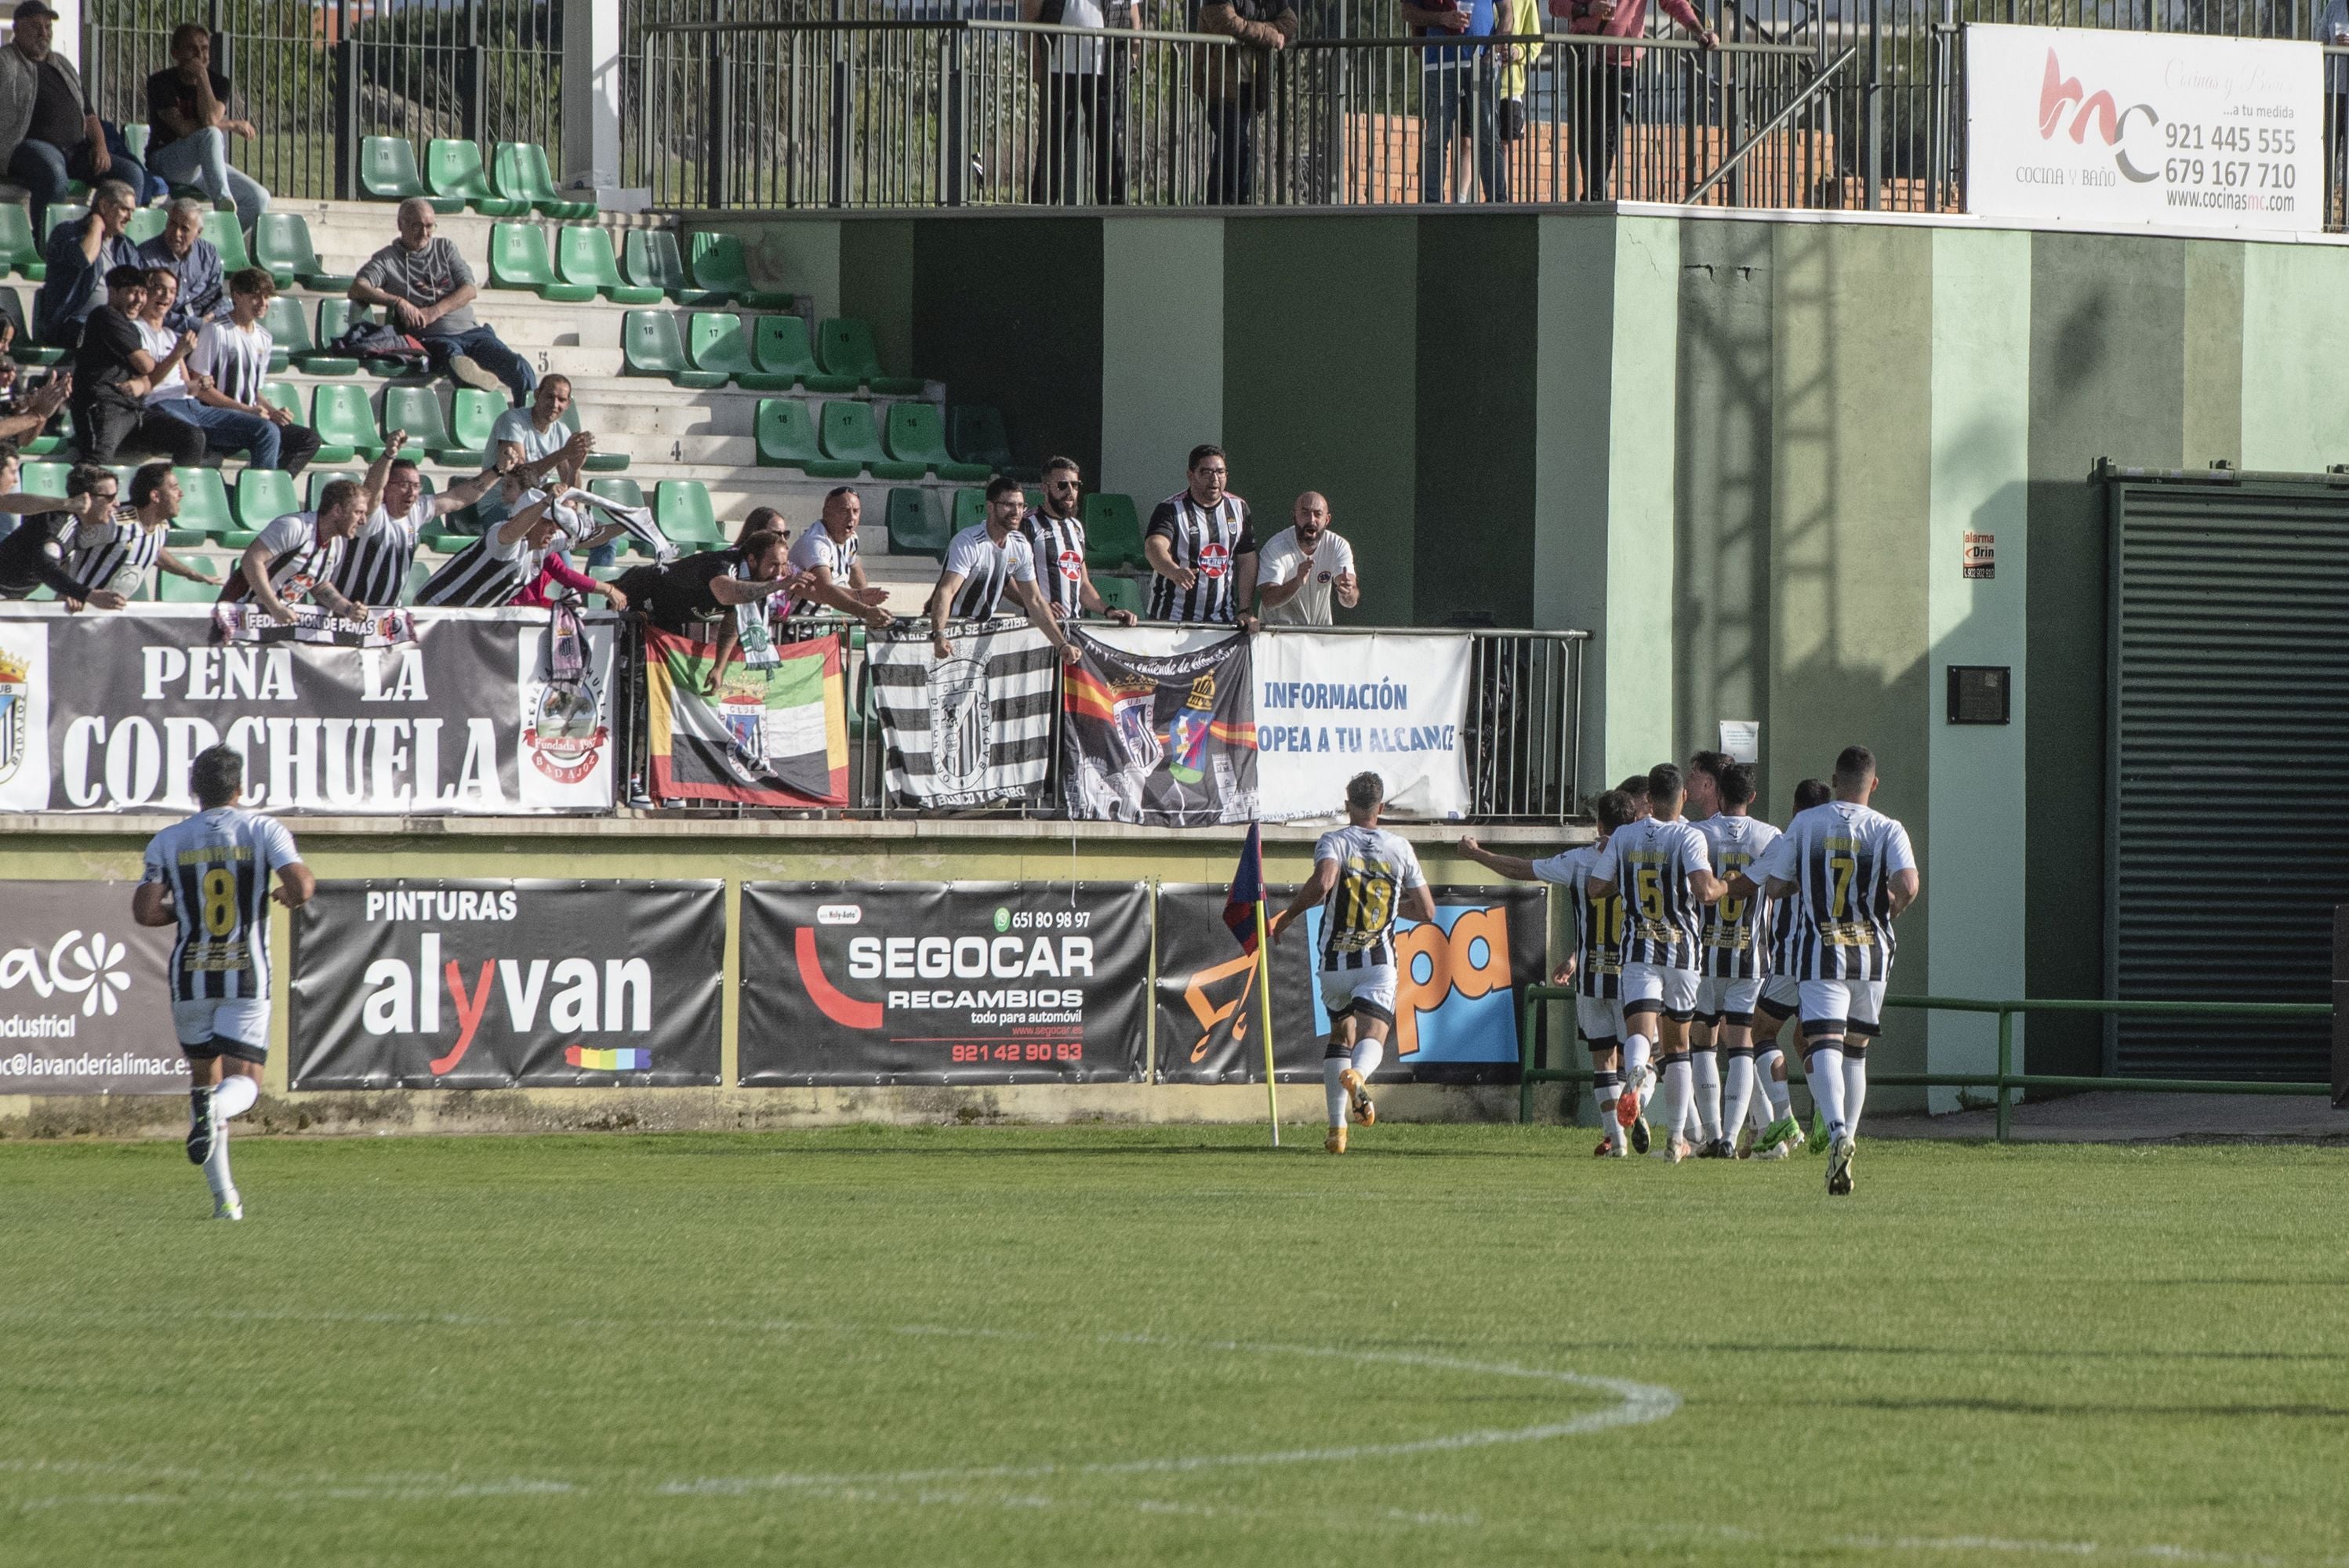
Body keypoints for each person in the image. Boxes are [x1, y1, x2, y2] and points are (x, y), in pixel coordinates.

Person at [130, 743, 312, 1221]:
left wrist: (185, 910)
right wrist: (286, 895)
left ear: (194, 789)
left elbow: (146, 911)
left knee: (202, 1081)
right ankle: (215, 1114)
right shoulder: (262, 828)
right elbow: (302, 886)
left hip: (189, 977)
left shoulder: (168, 840)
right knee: (244, 1082)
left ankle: (224, 1200)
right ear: (240, 787)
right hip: (243, 975)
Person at [1746, 746, 1919, 1196]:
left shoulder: (1807, 823)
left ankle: (1838, 1132)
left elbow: (1778, 884)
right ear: (1873, 784)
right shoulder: (1888, 828)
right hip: (1872, 954)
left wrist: (1802, 882)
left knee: (1824, 1043)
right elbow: (1908, 884)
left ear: (1835, 779)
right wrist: (1893, 908)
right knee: (1856, 1049)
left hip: (1823, 950)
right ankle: (1848, 1137)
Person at [1459, 787, 1635, 1155]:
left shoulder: (1580, 860)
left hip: (1591, 976)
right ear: (1632, 822)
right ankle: (1635, 1104)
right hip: (1633, 975)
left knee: (1602, 1057)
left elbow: (1523, 869)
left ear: (1598, 825)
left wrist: (1478, 855)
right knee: (1644, 1056)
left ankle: (1616, 1141)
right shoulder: (1643, 859)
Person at [1269, 771, 1437, 1154]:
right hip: (1377, 960)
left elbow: (1324, 883)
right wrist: (1393, 910)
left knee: (1339, 1036)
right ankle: (1358, 1076)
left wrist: (1289, 915)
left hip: (1334, 964)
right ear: (1380, 808)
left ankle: (1337, 1130)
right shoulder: (1401, 848)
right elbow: (1427, 910)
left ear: (1347, 806)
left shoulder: (1334, 841)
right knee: (1373, 1035)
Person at [1588, 761, 1724, 1163]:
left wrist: (1627, 879)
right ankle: (1676, 1139)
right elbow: (1703, 891)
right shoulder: (1689, 836)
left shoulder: (1625, 835)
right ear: (1682, 797)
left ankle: (1633, 1077)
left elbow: (1597, 887)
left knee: (1639, 1033)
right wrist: (1725, 887)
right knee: (1679, 1047)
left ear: (1648, 799)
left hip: (1638, 950)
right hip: (1681, 950)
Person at [350, 198, 536, 403]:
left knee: (520, 367)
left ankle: (528, 422)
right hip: (433, 337)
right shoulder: (387, 259)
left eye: (429, 226)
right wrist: (398, 302)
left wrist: (435, 311)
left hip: (473, 333)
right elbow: (358, 287)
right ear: (400, 224)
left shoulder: (445, 248)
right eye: (416, 226)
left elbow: (469, 290)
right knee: (453, 357)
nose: (424, 233)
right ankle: (473, 377)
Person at [1735, 775, 1831, 1158]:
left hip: (1792, 958)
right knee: (1809, 1041)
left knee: (1760, 1033)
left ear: (1795, 808)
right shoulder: (1834, 843)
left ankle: (1784, 1118)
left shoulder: (1789, 840)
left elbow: (1765, 886)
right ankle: (1827, 1112)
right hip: (1829, 962)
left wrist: (1724, 886)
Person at [1690, 763, 1780, 1160]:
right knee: (1742, 1045)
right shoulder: (1770, 836)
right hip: (1750, 955)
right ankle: (1730, 1136)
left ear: (1719, 795)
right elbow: (1781, 884)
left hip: (1706, 956)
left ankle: (1711, 1135)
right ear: (1753, 797)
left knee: (1704, 1043)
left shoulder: (1698, 834)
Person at [1, 2, 148, 238]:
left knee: (131, 175)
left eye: (48, 27)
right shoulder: (5, 62)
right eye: (37, 27)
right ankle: (50, 244)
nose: (44, 33)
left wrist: (100, 146)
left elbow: (89, 115)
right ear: (17, 29)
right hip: (27, 147)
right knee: (53, 171)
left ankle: (114, 246)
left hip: (77, 150)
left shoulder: (62, 64)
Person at [1554, 0, 1715, 201]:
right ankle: (1593, 192)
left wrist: (1699, 31)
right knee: (1586, 129)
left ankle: (1595, 194)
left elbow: (1674, 3)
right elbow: (1555, 5)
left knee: (1607, 129)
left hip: (1622, 59)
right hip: (1583, 55)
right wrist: (1587, 8)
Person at [332, 434, 505, 608]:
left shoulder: (416, 511)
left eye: (416, 486)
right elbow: (372, 489)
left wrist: (498, 470)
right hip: (346, 612)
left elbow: (458, 497)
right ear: (387, 486)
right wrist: (388, 455)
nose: (412, 492)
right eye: (404, 485)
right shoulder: (372, 514)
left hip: (387, 617)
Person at [927, 474, 1084, 664]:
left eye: (1020, 506)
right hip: (946, 633)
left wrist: (1061, 645)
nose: (1016, 512)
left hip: (978, 636)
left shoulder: (1020, 545)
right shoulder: (969, 541)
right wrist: (939, 635)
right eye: (1009, 505)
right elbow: (947, 590)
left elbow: (1034, 600)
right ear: (991, 507)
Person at [185, 267, 320, 474]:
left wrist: (273, 411)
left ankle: (273, 487)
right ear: (237, 296)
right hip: (216, 419)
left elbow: (253, 390)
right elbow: (199, 389)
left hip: (249, 419)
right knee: (266, 431)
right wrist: (245, 410)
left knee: (308, 439)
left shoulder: (264, 337)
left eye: (266, 297)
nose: (263, 303)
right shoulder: (216, 331)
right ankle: (263, 496)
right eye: (256, 297)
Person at [143, 24, 270, 230]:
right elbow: (183, 129)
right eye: (192, 49)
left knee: (259, 198)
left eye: (204, 48)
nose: (200, 55)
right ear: (176, 53)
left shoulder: (219, 83)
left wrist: (202, 77)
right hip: (167, 159)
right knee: (210, 134)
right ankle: (222, 201)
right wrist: (230, 124)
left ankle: (218, 246)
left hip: (204, 166)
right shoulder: (160, 82)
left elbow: (210, 117)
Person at [1022, 0, 1137, 204]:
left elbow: (1134, 16)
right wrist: (1037, 62)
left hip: (1106, 72)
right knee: (1053, 138)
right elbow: (1030, 18)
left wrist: (1133, 56)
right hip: (1059, 70)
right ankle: (1042, 200)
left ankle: (1113, 202)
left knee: (1108, 139)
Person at [58, 459, 217, 604]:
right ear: (155, 496)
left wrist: (191, 573)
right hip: (78, 610)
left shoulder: (162, 527)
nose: (181, 494)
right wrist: (68, 592)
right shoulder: (115, 523)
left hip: (110, 617)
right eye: (175, 488)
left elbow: (155, 552)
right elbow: (66, 546)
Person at [222, 474, 375, 622]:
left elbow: (318, 586)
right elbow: (252, 560)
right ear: (337, 510)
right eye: (358, 513)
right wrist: (275, 607)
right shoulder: (295, 527)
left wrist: (348, 609)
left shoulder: (336, 543)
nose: (363, 521)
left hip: (274, 621)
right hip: (238, 615)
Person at [1403, 0, 1506, 203]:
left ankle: (1497, 201)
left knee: (1488, 134)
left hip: (1482, 60)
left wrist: (1497, 45)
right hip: (1438, 59)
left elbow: (1507, 11)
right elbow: (1407, 11)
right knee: (1436, 136)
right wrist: (1441, 18)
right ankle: (1432, 204)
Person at [1145, 443, 1259, 626]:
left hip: (1222, 620)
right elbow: (1154, 547)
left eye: (1221, 472)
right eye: (1206, 473)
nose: (1215, 479)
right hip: (1172, 619)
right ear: (1191, 476)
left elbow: (1246, 559)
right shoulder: (1171, 509)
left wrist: (1245, 609)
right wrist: (1174, 571)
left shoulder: (1239, 508)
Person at [1194, 0, 1296, 205]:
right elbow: (1229, 24)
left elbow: (1291, 22)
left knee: (1225, 148)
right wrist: (1270, 36)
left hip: (1248, 86)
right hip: (1217, 86)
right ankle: (1242, 204)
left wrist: (1256, 33)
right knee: (1240, 146)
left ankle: (1216, 206)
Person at [412, 486, 580, 609]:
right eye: (546, 522)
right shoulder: (501, 536)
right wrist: (545, 503)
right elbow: (515, 529)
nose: (553, 529)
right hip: (434, 610)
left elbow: (589, 537)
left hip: (462, 622)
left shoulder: (540, 543)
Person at [1019, 456, 1138, 625]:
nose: (1070, 491)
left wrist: (1108, 610)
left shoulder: (1076, 527)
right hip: (1037, 628)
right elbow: (1008, 579)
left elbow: (1082, 584)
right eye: (1062, 485)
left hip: (1073, 627)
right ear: (1044, 488)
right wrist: (1039, 605)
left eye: (1075, 485)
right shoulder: (1027, 524)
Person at [31, 176, 139, 350]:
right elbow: (85, 258)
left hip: (115, 323)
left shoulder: (126, 247)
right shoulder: (66, 234)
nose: (130, 218)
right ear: (103, 206)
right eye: (125, 210)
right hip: (72, 324)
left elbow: (137, 290)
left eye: (132, 211)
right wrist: (96, 225)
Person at [0, 459, 125, 603]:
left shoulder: (77, 525)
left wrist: (67, 592)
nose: (117, 504)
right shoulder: (60, 523)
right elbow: (45, 565)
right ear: (87, 498)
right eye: (110, 497)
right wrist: (87, 595)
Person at [785, 485, 892, 628]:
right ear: (826, 512)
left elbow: (854, 570)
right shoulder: (816, 543)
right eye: (844, 511)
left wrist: (870, 602)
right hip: (796, 627)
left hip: (821, 624)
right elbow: (825, 589)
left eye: (856, 511)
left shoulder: (852, 539)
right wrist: (865, 610)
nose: (852, 517)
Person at [1252, 491, 1359, 627]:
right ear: (1294, 517)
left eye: (1318, 514)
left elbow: (1350, 601)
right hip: (1278, 636)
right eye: (1305, 513)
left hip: (1318, 636)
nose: (1311, 520)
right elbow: (1269, 601)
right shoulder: (1275, 547)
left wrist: (1348, 593)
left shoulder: (1338, 545)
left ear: (1327, 520)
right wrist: (1297, 582)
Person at [136, 197, 231, 332]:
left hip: (206, 327)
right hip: (164, 330)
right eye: (173, 224)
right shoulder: (145, 257)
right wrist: (195, 324)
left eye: (184, 229)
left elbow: (215, 296)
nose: (176, 233)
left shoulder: (209, 253)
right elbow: (147, 307)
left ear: (198, 232)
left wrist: (211, 318)